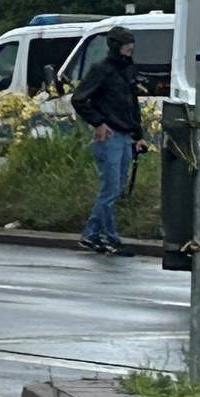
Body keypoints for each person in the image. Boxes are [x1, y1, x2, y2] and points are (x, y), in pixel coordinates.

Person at [69, 26, 146, 256]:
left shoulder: (128, 71)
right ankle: (109, 238)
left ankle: (91, 235)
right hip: (110, 136)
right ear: (115, 47)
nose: (129, 52)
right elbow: (79, 99)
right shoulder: (101, 71)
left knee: (115, 189)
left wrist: (138, 134)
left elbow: (132, 103)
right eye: (126, 48)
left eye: (131, 48)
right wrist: (98, 123)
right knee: (110, 189)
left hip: (124, 137)